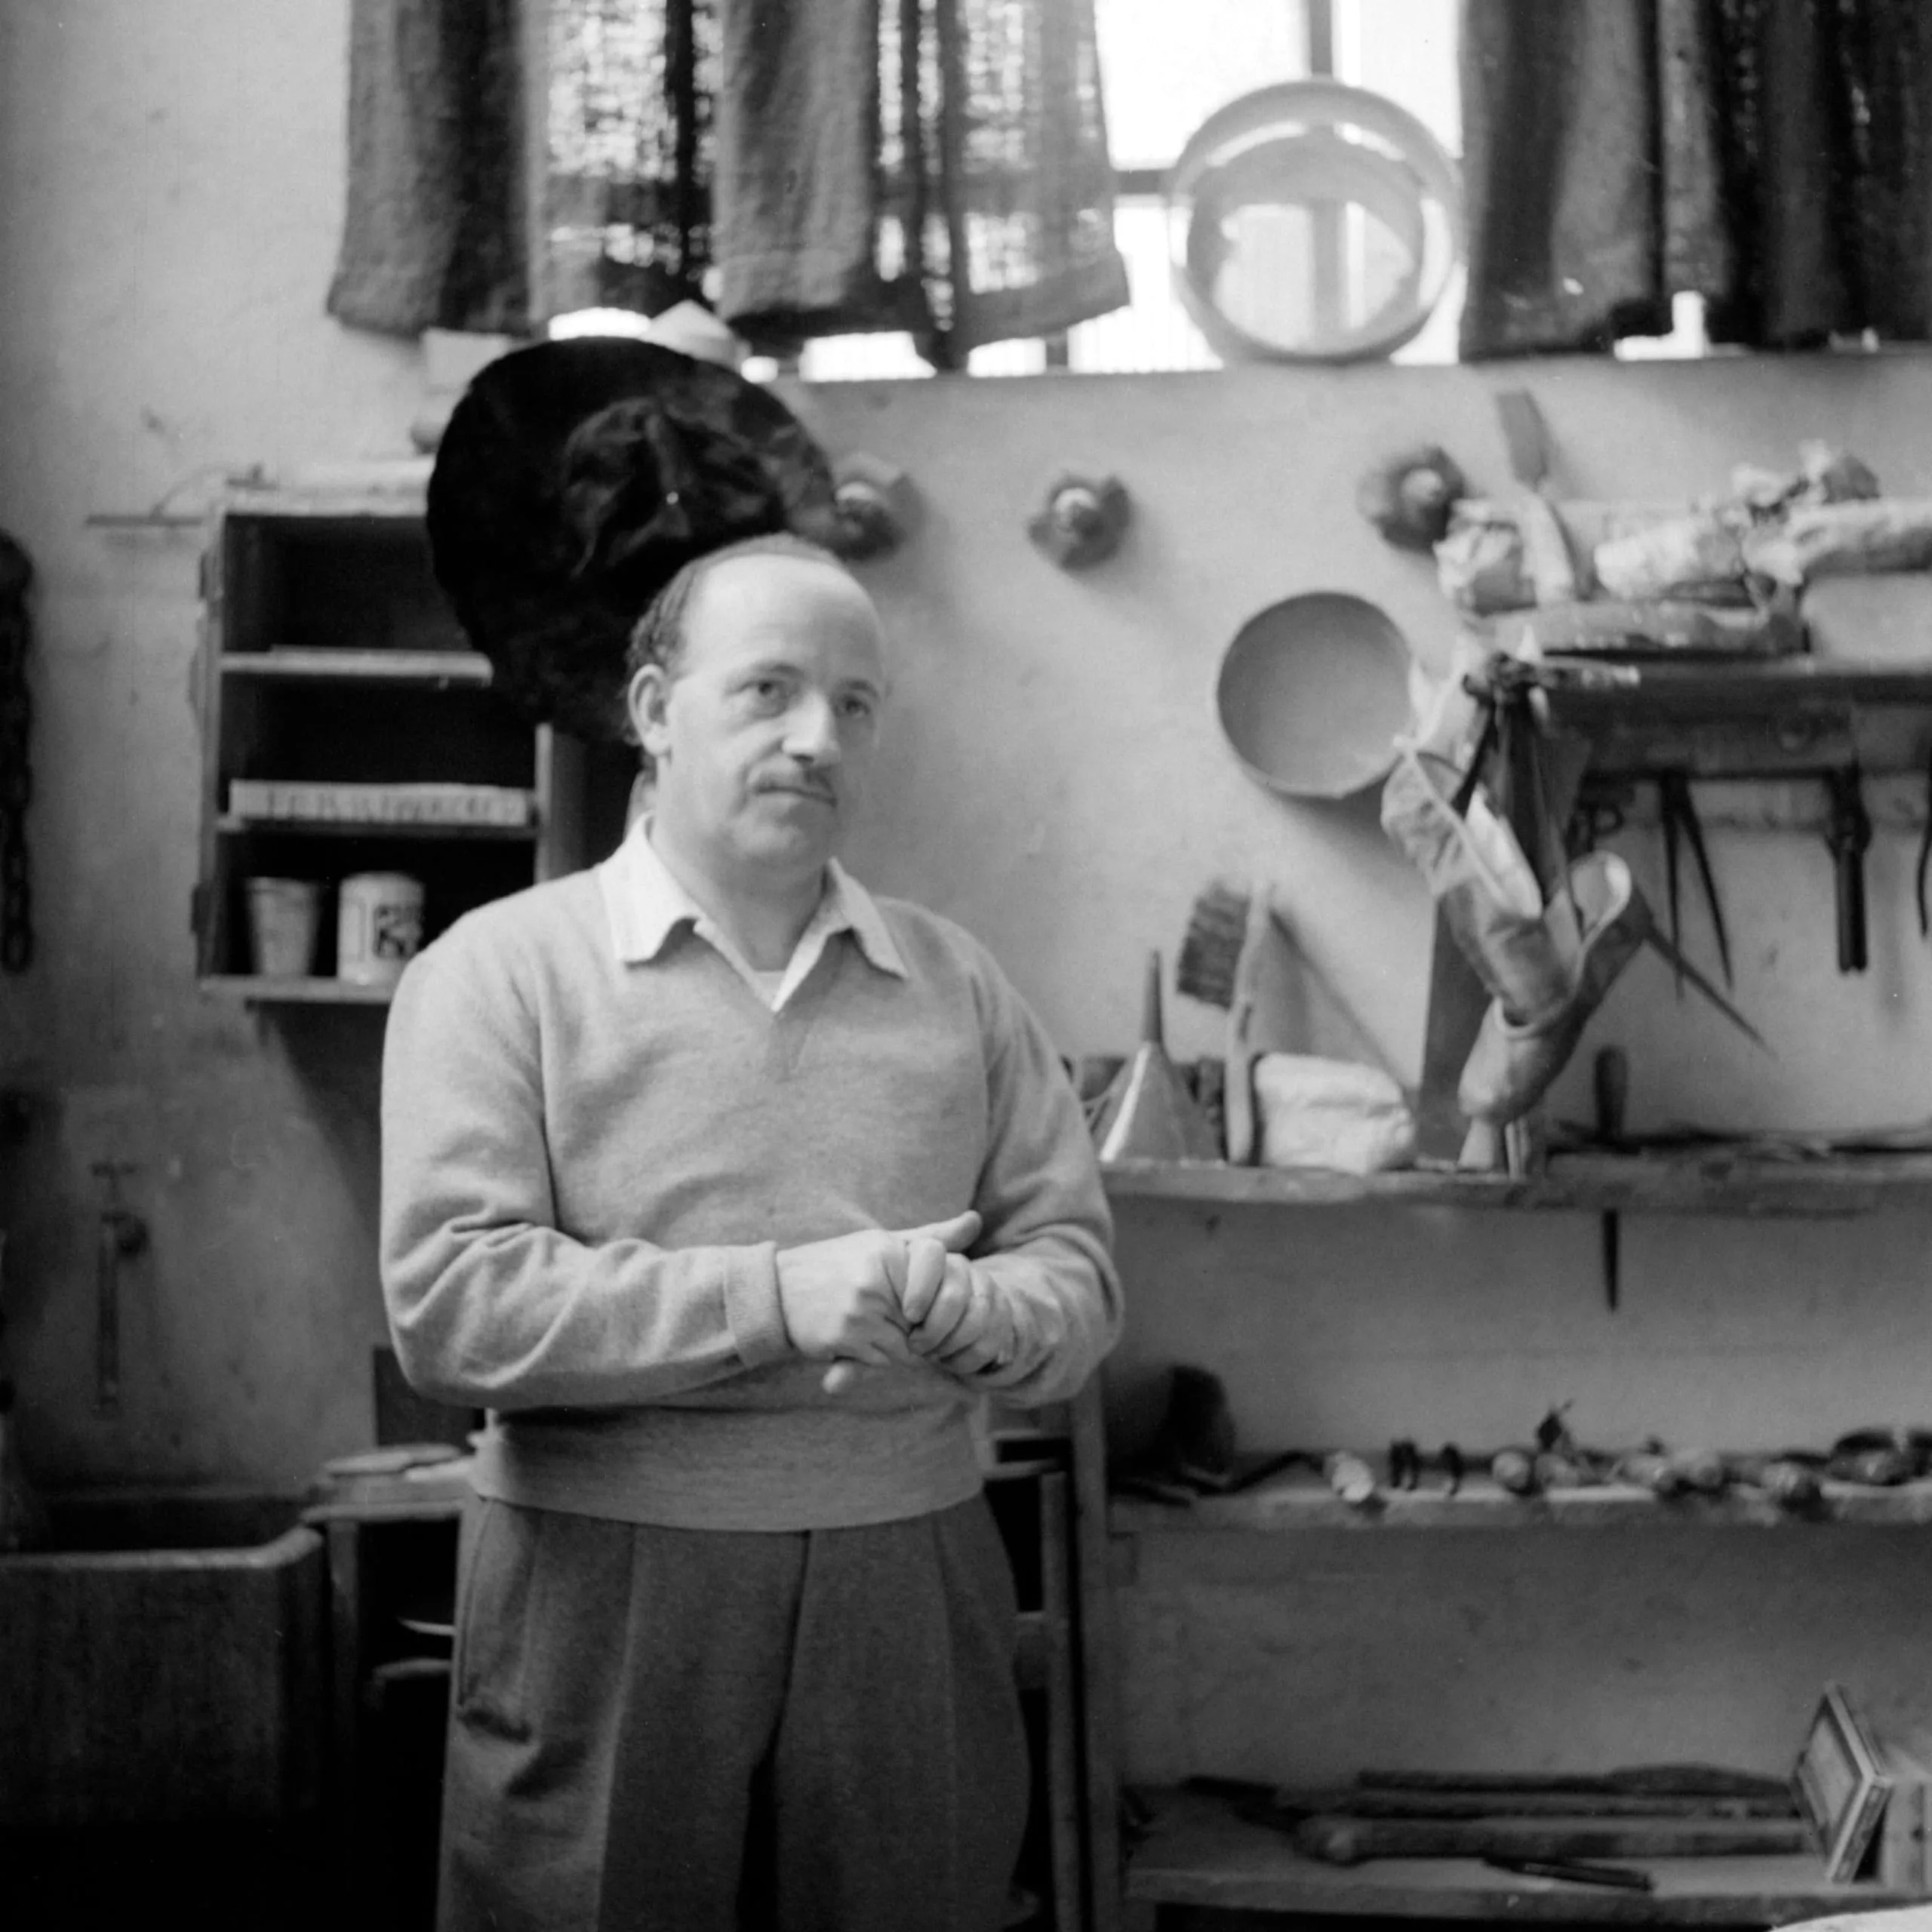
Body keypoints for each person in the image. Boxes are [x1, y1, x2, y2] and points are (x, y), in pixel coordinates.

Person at [380, 531, 1122, 1932]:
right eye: (768, 689)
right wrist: (775, 1298)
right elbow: (452, 1307)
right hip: (603, 1588)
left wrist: (992, 1318)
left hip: (910, 1572)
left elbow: (1072, 1272)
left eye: (855, 703)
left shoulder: (958, 984)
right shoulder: (496, 973)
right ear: (654, 711)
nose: (817, 737)